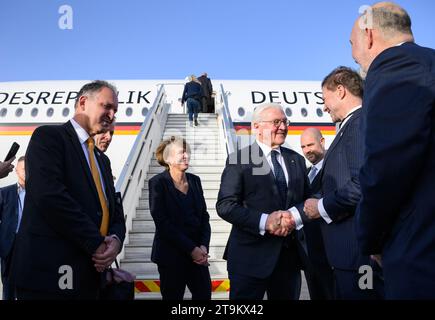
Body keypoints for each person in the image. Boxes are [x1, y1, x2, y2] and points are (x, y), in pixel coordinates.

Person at [11, 80, 126, 299]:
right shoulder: (48, 138)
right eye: (107, 107)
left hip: (90, 276)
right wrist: (97, 242)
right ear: (83, 102)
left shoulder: (102, 160)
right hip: (51, 276)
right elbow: (49, 196)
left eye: (115, 111)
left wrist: (116, 240)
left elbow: (115, 212)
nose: (112, 115)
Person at [351, 2, 435, 299]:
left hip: (419, 253)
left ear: (369, 36)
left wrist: (370, 240)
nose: (353, 55)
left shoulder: (394, 66)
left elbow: (386, 167)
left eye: (352, 44)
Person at [216, 103, 311, 300]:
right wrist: (265, 222)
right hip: (249, 259)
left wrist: (293, 218)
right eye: (276, 122)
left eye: (285, 122)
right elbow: (225, 205)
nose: (283, 127)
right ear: (257, 127)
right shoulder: (239, 159)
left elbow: (307, 201)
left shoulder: (297, 160)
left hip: (288, 260)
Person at [303, 67, 383, 299]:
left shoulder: (358, 124)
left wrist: (321, 207)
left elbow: (363, 184)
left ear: (340, 91)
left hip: (357, 256)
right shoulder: (350, 125)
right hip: (348, 256)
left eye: (325, 99)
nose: (324, 106)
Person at [148, 136, 211, 300]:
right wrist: (192, 249)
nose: (186, 156)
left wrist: (203, 246)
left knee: (204, 296)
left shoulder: (195, 181)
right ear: (168, 158)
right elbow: (162, 223)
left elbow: (204, 217)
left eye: (187, 152)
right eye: (181, 153)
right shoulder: (157, 183)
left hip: (198, 257)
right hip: (171, 256)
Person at [298, 128, 334, 300]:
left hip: (330, 253)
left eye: (310, 144)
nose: (307, 150)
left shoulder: (335, 167)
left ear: (322, 142)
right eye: (303, 147)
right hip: (309, 255)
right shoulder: (305, 172)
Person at [0, 156, 25, 300]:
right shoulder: (4, 193)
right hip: (10, 246)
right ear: (16, 171)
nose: (27, 172)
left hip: (31, 244)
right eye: (23, 169)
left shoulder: (39, 194)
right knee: (9, 286)